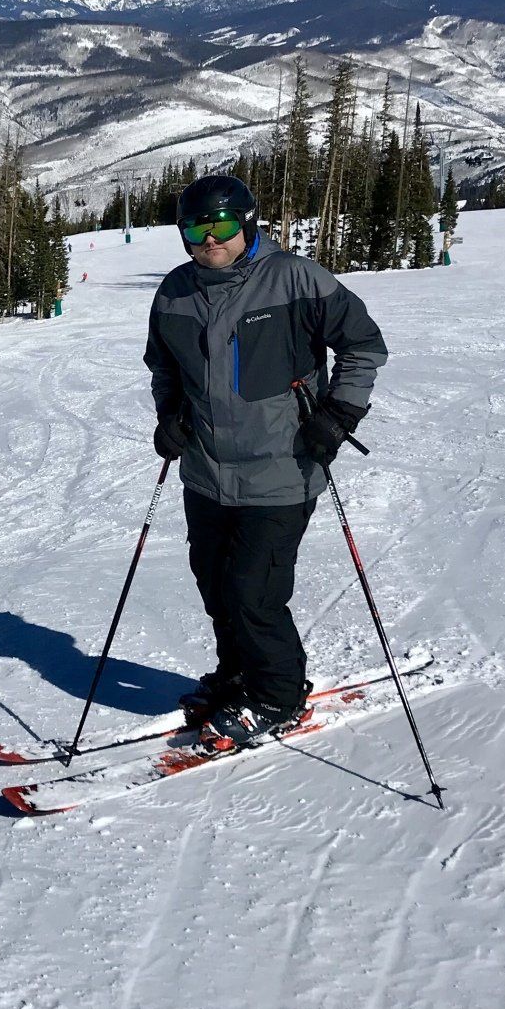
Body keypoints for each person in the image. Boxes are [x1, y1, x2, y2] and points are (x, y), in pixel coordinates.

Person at [144, 175, 387, 749]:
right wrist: (170, 416)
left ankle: (278, 696)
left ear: (247, 224)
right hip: (205, 471)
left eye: (222, 227)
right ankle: (239, 677)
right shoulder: (175, 292)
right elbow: (166, 370)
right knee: (215, 583)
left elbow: (363, 345)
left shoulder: (296, 279)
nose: (210, 240)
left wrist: (339, 413)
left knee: (254, 591)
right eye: (196, 229)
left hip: (283, 467)